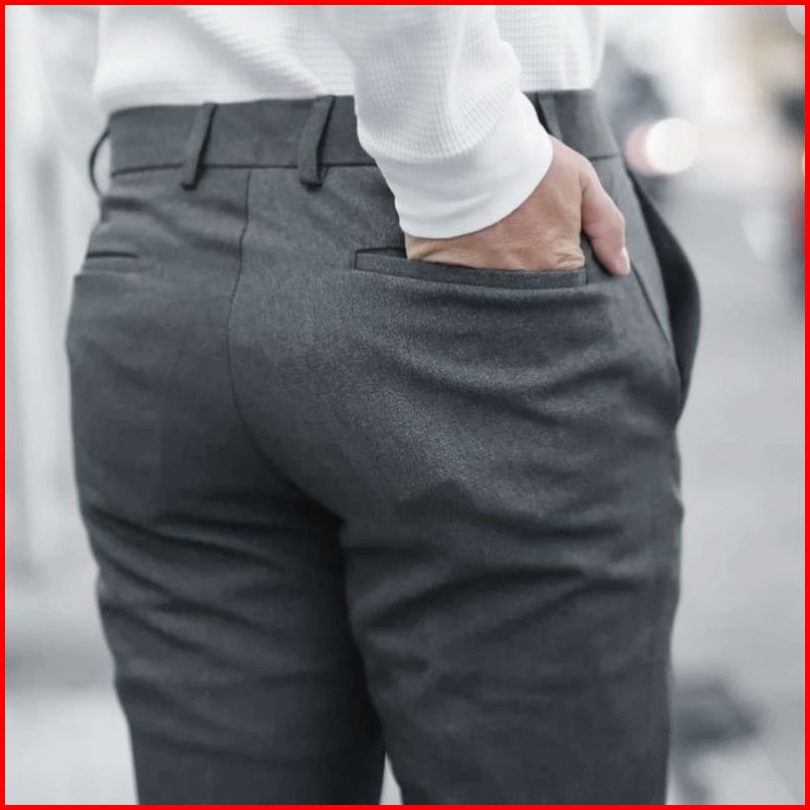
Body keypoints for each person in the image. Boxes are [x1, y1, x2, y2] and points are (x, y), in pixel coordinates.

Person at [37, 5, 700, 804]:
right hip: (453, 217)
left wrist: (137, 191)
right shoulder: (458, 148)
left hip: (156, 223)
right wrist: (463, 149)